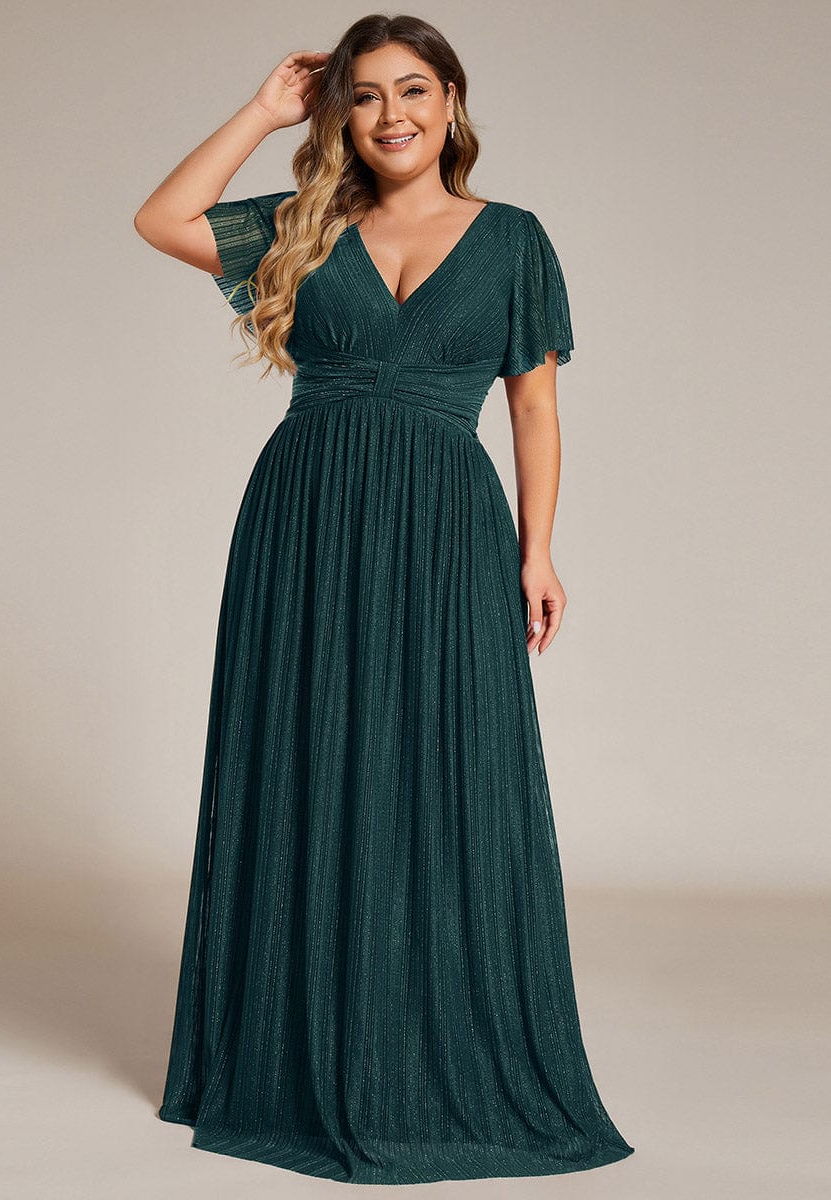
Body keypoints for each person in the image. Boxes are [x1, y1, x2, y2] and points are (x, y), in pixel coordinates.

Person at [133, 12, 635, 1186]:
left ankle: (427, 1043)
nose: (390, 114)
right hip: (304, 520)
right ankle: (298, 1042)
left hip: (448, 524)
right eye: (362, 95)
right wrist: (265, 111)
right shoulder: (305, 226)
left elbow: (534, 407)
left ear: (451, 101)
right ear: (340, 115)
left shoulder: (512, 239)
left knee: (441, 764)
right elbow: (161, 219)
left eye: (413, 89)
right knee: (307, 756)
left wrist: (538, 552)